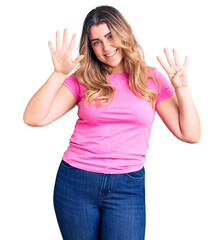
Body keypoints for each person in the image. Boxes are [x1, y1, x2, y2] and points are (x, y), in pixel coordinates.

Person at [23, 5, 201, 240]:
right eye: (96, 42)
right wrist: (58, 73)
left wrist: (182, 88)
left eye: (110, 36)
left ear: (123, 33)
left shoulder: (152, 80)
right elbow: (33, 118)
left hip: (127, 186)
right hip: (76, 182)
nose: (106, 47)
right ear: (90, 47)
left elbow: (190, 134)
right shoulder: (83, 79)